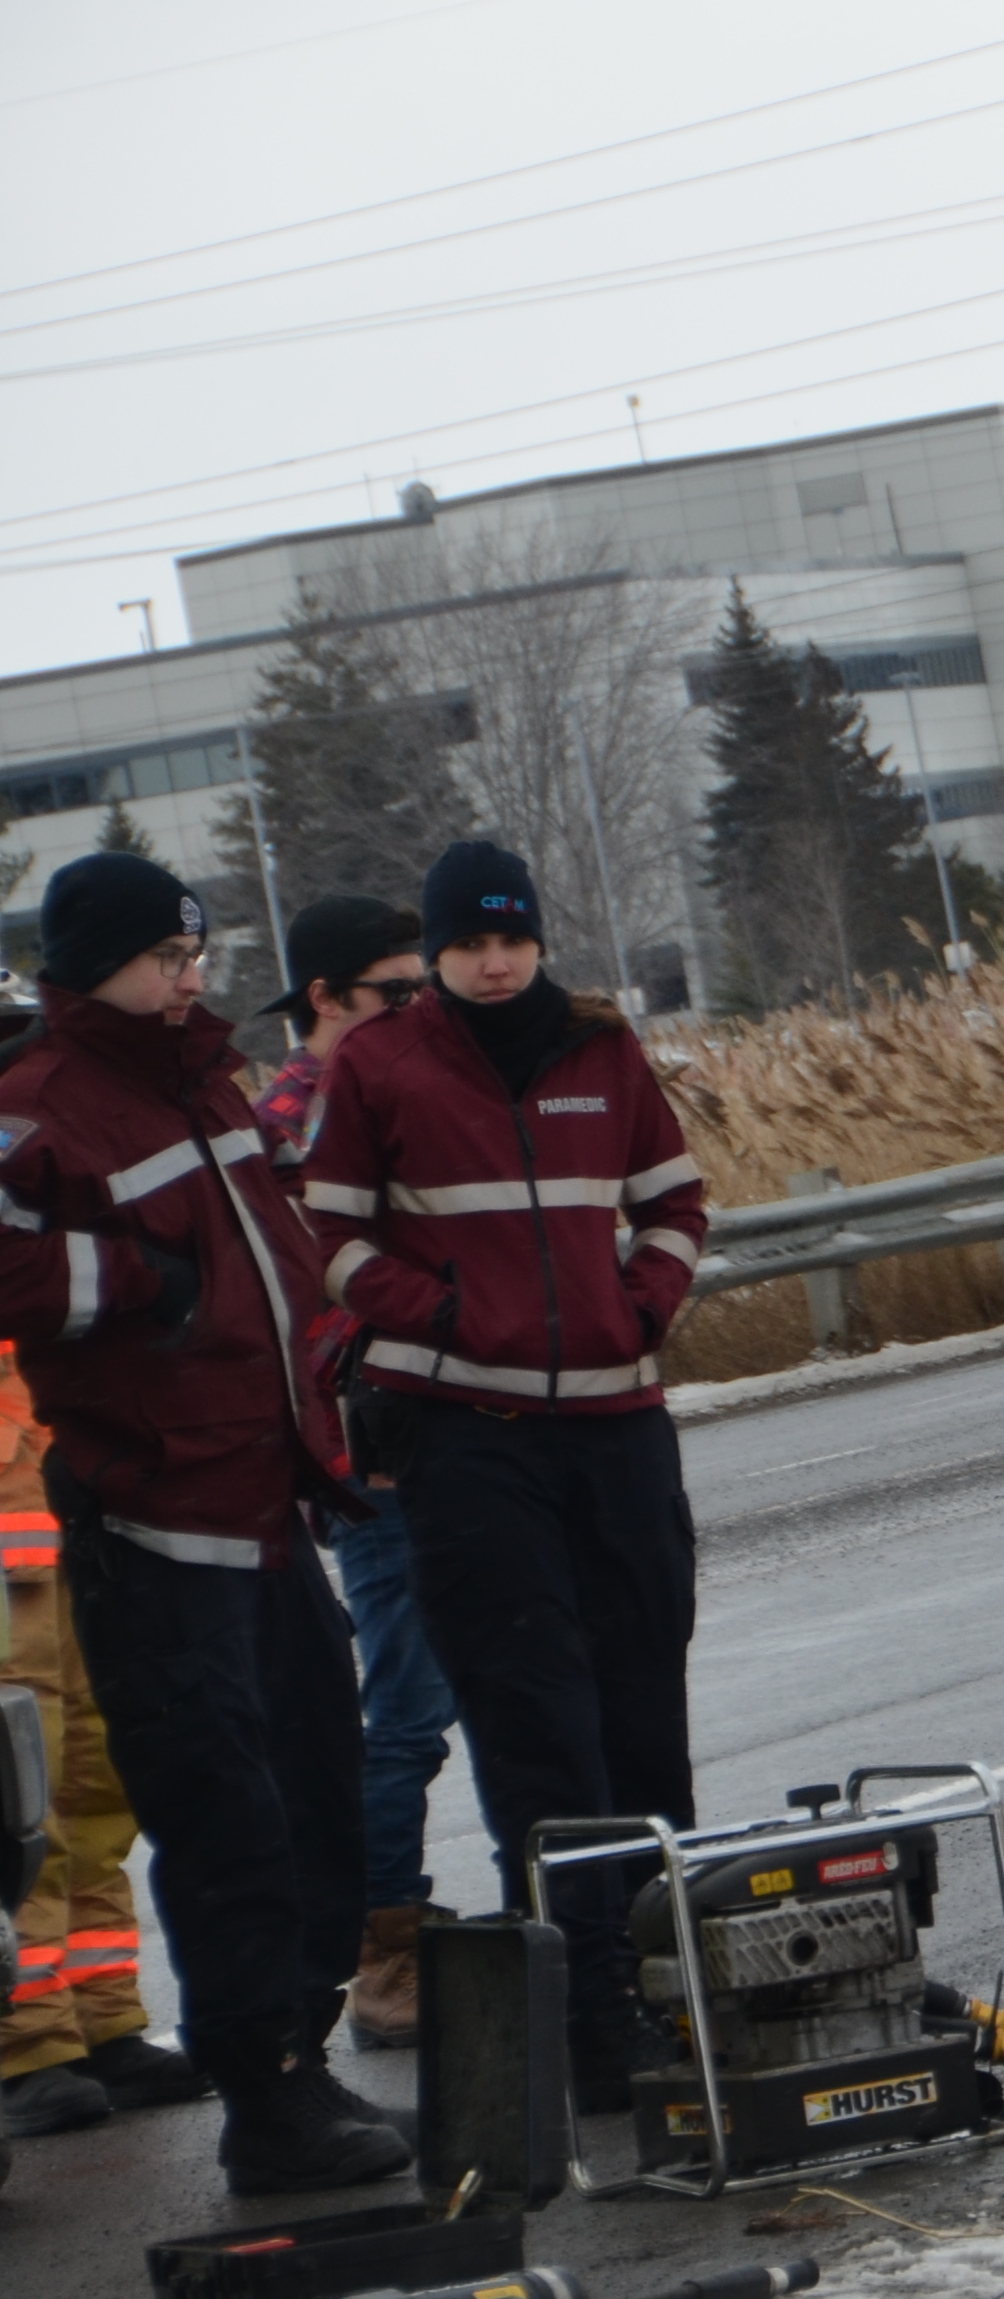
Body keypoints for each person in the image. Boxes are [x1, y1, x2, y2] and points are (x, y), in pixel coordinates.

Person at [0, 851, 393, 2192]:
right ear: (96, 962)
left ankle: (310, 2045)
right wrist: (141, 1285)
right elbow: (13, 1260)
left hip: (271, 1507)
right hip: (160, 1529)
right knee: (225, 1819)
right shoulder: (42, 1105)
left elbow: (276, 1266)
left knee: (319, 1793)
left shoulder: (207, 1079)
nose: (190, 977)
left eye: (195, 954)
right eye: (165, 958)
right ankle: (266, 2090)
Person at [296, 840, 708, 2107]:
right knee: (537, 1734)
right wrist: (444, 1314)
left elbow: (677, 1201)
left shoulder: (601, 1050)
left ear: (537, 938)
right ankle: (591, 2026)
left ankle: (669, 1987)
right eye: (470, 942)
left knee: (644, 1715)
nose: (493, 960)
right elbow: (329, 1231)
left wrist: (640, 1308)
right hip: (469, 1440)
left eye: (512, 938)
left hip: (620, 1431)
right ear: (436, 951)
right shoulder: (380, 1064)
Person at [258, 893, 457, 2049]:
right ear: (324, 1000)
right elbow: (307, 1311)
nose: (417, 1011)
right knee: (408, 1711)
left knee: (492, 1688)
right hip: (375, 1454)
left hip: (452, 1429)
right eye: (396, 993)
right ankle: (382, 1950)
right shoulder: (289, 1125)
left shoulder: (396, 1092)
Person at [0, 1219, 205, 2139]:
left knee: (94, 1786)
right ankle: (26, 2042)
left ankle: (102, 2012)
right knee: (13, 1809)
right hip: (14, 1576)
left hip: (73, 1543)